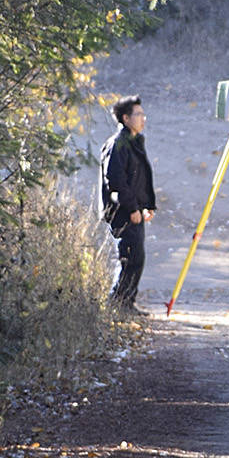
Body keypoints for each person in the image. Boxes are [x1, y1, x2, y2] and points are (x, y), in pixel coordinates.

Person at [99, 95, 156, 312]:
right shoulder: (118, 144)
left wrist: (146, 206)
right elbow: (115, 180)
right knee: (129, 257)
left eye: (143, 113)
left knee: (136, 257)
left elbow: (139, 179)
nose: (143, 118)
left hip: (135, 210)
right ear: (126, 118)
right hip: (122, 211)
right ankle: (118, 304)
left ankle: (126, 303)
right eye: (138, 114)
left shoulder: (133, 142)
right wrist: (132, 208)